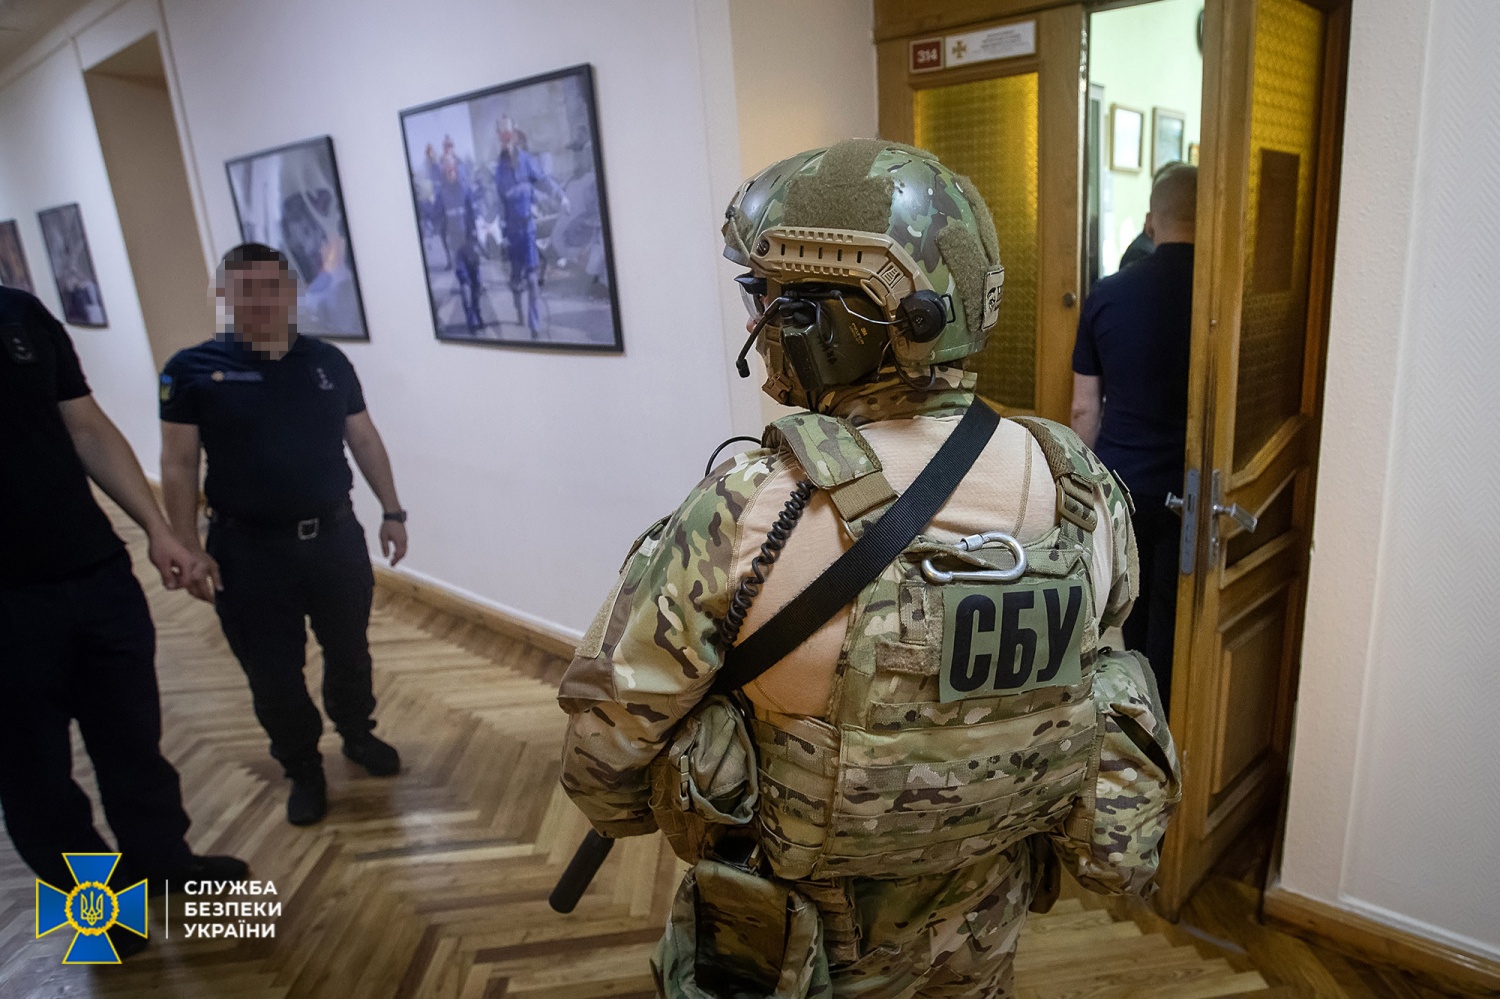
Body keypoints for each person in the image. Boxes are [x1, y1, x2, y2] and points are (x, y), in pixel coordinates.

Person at [558, 140, 1180, 997]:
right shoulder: (1079, 484)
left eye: (768, 299)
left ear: (838, 323)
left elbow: (603, 762)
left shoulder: (747, 509)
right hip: (981, 935)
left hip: (791, 951)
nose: (758, 326)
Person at [0, 286, 248, 960]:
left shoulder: (19, 315)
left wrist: (158, 529)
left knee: (134, 741)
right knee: (34, 776)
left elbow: (84, 425)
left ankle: (163, 861)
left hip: (94, 574)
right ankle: (100, 912)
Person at [159, 243, 408, 827]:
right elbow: (178, 463)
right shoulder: (191, 369)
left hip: (334, 540)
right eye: (246, 290)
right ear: (226, 295)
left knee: (349, 651)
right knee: (273, 673)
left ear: (291, 291)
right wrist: (187, 546)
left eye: (273, 287)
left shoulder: (327, 362)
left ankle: (357, 733)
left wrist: (393, 511)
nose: (262, 301)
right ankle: (303, 768)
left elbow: (363, 437)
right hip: (247, 550)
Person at [1070, 163, 1197, 714]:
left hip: (1124, 482)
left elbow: (1083, 409)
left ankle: (1135, 709)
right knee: (1179, 617)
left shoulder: (1109, 293)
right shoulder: (1221, 297)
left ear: (1152, 220)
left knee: (1131, 610)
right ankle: (1172, 715)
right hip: (1192, 490)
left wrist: (1081, 488)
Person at [493, 115, 568, 337]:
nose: (507, 139)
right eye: (503, 135)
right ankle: (517, 307)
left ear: (514, 135)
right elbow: (499, 203)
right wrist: (499, 232)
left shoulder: (526, 161)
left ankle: (534, 326)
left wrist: (561, 196)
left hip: (527, 230)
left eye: (509, 134)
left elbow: (543, 180)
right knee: (516, 280)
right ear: (499, 138)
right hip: (512, 233)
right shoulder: (499, 170)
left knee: (533, 280)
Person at [434, 153, 485, 332]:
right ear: (444, 171)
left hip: (469, 242)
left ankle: (477, 312)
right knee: (464, 283)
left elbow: (474, 213)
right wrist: (444, 235)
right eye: (447, 170)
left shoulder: (465, 189)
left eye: (452, 169)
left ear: (456, 169)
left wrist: (476, 237)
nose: (450, 172)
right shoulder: (442, 195)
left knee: (476, 283)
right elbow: (437, 217)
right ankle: (471, 319)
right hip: (456, 245)